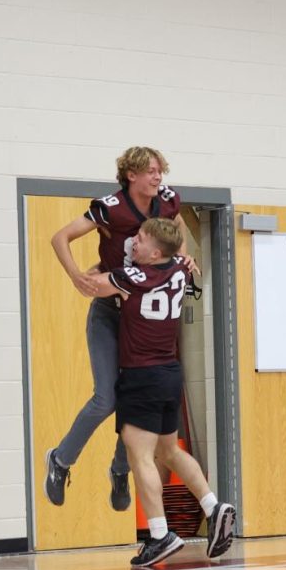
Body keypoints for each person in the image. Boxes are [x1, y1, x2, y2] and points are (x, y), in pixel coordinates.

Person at [46, 146, 194, 512]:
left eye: (161, 171)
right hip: (110, 310)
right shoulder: (109, 206)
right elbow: (59, 238)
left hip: (140, 316)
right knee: (106, 398)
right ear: (132, 175)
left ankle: (119, 470)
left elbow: (178, 231)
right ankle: (61, 460)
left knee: (134, 397)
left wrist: (183, 254)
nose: (159, 178)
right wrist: (77, 275)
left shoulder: (169, 200)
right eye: (152, 172)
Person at [86, 218, 234, 567]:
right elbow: (180, 256)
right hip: (170, 372)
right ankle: (213, 507)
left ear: (155, 252)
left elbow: (92, 286)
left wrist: (96, 267)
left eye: (139, 239)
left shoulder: (133, 278)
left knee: (140, 457)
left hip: (141, 376)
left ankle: (158, 534)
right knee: (168, 450)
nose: (132, 242)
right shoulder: (180, 270)